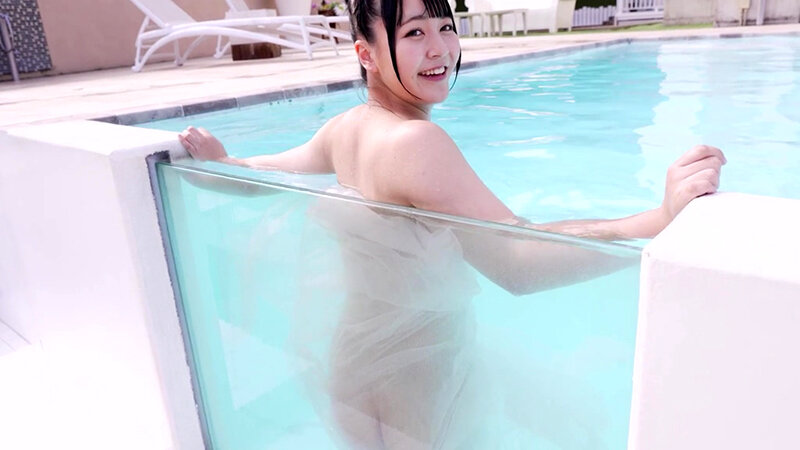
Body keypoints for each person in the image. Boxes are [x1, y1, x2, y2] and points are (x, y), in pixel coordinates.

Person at [179, 0, 725, 447]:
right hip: (422, 382)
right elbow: (516, 261)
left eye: (445, 25)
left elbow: (261, 174)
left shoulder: (346, 129)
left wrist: (222, 163)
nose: (440, 48)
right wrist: (655, 219)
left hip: (352, 368)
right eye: (414, 32)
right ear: (366, 54)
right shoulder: (416, 141)